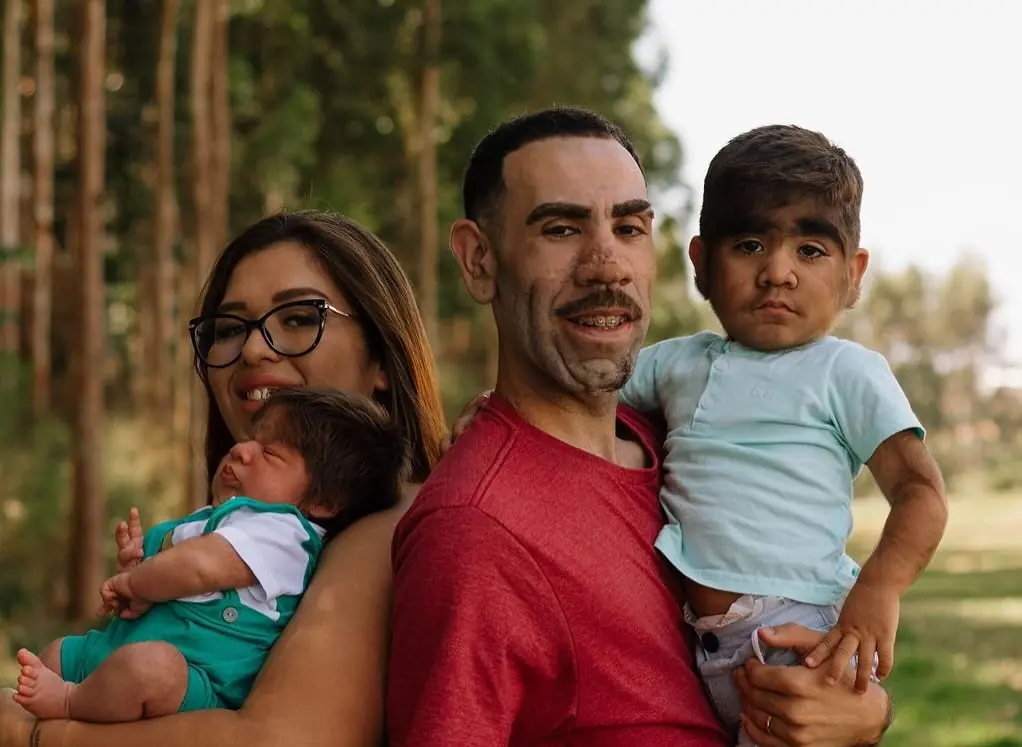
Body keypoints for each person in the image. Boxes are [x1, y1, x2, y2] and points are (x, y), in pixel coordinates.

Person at [386, 106, 895, 746]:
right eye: (561, 229)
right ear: (479, 259)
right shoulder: (475, 535)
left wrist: (866, 713)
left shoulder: (682, 433)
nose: (608, 266)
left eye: (628, 228)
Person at [0, 210, 446, 746]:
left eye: (299, 318)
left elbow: (281, 741)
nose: (254, 349)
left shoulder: (389, 526)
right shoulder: (249, 519)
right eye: (229, 329)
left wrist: (31, 735)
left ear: (382, 358)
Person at [613, 125, 948, 744]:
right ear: (701, 264)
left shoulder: (846, 372)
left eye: (811, 251)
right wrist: (494, 409)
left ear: (854, 274)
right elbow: (578, 396)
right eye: (749, 245)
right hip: (695, 643)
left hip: (799, 634)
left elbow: (921, 493)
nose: (777, 273)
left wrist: (878, 589)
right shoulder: (673, 364)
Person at [15, 387, 405, 723]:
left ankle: (69, 703)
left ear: (324, 501)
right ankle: (67, 701)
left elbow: (201, 567)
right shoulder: (214, 520)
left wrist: (137, 582)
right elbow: (171, 577)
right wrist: (139, 566)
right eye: (250, 438)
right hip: (120, 650)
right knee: (57, 654)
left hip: (191, 680)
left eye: (269, 453)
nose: (241, 449)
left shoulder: (285, 535)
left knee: (150, 669)